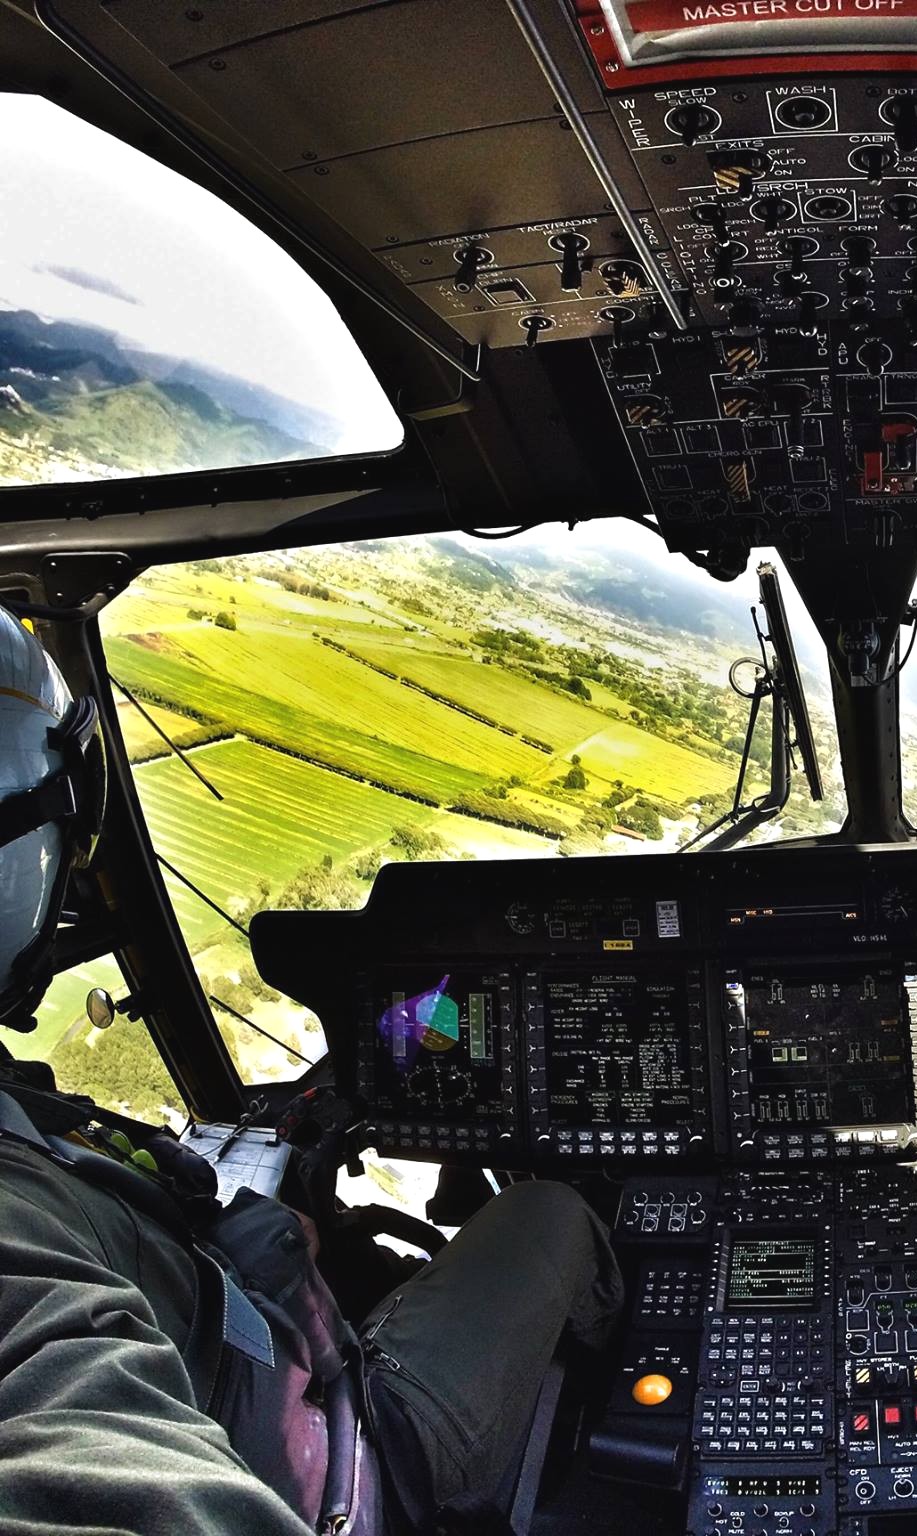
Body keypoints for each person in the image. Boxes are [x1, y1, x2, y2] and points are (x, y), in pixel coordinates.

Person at [0, 609, 624, 1534]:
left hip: (262, 1351)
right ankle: (621, 1408)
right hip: (349, 1463)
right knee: (552, 1211)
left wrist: (257, 1237)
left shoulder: (23, 1110)